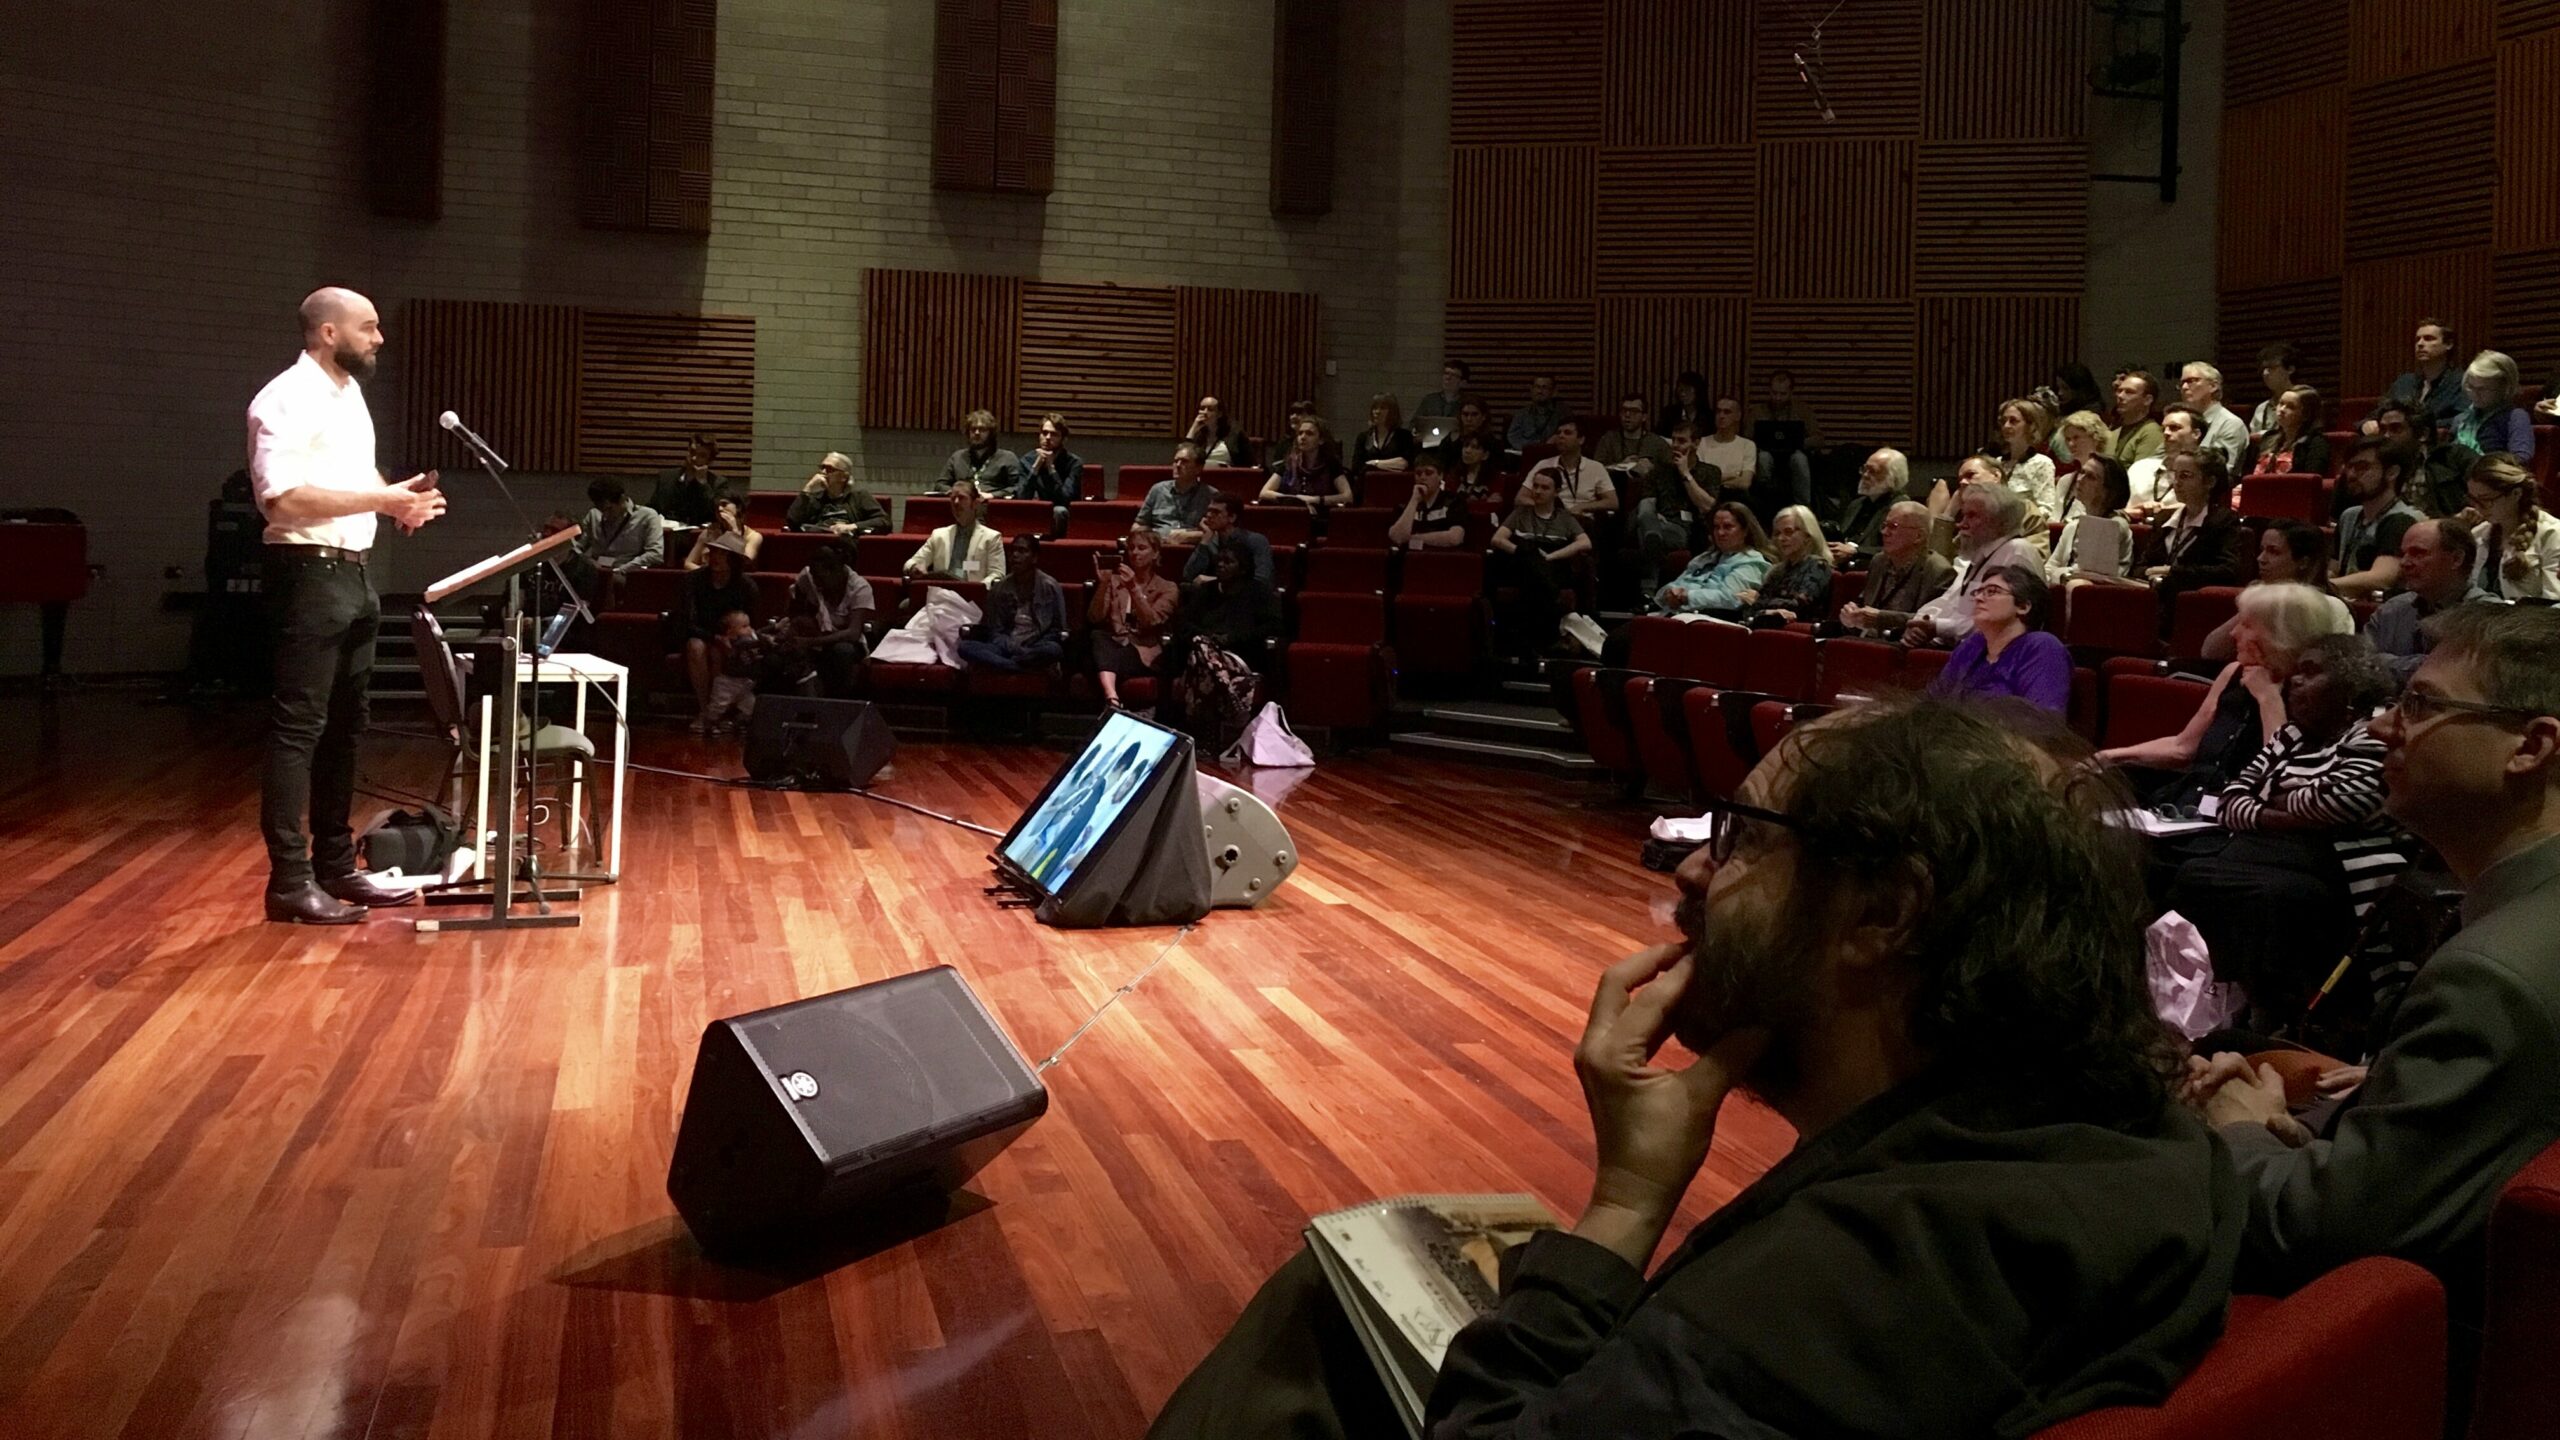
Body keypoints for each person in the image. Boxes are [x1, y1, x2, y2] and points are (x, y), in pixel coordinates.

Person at [1150, 699, 2242, 1440]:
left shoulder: (1850, 1280)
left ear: (1884, 911)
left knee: (1321, 1307)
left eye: (1745, 836)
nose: (1691, 865)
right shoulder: (2130, 1136)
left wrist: (1625, 1204)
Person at [2186, 605, 2560, 1386]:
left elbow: (2328, 1233)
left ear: (2532, 746)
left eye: (2421, 706)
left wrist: (2241, 1130)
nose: (2385, 725)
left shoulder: (2491, 977)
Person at [246, 286, 448, 924]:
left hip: (353, 574)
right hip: (307, 574)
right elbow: (281, 500)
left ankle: (335, 866)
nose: (379, 338)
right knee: (299, 728)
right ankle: (289, 882)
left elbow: (354, 486)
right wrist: (380, 501)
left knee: (345, 728)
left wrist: (398, 501)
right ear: (328, 333)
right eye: (369, 327)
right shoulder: (285, 396)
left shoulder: (349, 395)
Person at [2166, 634, 2406, 1030]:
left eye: (2311, 673)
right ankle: (2235, 1008)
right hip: (2272, 860)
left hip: (2341, 876)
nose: (2294, 682)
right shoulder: (2292, 735)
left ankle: (2278, 1017)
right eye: (2295, 673)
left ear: (2350, 683)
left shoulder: (2374, 729)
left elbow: (2345, 803)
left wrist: (2271, 800)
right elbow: (2232, 802)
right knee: (2194, 876)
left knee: (2245, 891)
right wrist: (2295, 807)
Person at [2094, 583, 2353, 808]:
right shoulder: (2233, 672)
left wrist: (2268, 699)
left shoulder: (2314, 692)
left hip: (2244, 813)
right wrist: (2110, 755)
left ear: (2280, 636)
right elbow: (2183, 747)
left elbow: (2281, 778)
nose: (2233, 633)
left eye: (2247, 625)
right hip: (2191, 799)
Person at [1167, 544, 1282, 751]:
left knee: (1198, 656)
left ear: (1243, 568)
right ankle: (1229, 695)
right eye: (1219, 561)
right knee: (1199, 646)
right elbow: (1183, 623)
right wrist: (1208, 638)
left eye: (1228, 562)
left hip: (1239, 656)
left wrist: (1232, 638)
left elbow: (1273, 626)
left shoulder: (1258, 593)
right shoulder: (1205, 592)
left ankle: (1201, 736)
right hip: (1204, 654)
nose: (1221, 565)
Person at [1905, 483, 2040, 647]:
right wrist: (1920, 622)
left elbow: (2001, 621)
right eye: (1963, 516)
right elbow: (1948, 602)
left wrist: (1937, 627)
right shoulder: (1980, 554)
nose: (1961, 524)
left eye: (1972, 516)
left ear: (2000, 523)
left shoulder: (2017, 552)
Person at [1925, 564, 2071, 712]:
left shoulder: (2042, 647)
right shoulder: (1972, 645)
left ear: (2023, 606)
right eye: (1977, 592)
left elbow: (2040, 723)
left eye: (1992, 591)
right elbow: (1933, 703)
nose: (1978, 598)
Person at [1488, 468, 1599, 655]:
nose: (1538, 491)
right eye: (1536, 486)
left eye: (1545, 487)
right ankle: (1551, 629)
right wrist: (1525, 553)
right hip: (1522, 564)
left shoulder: (1564, 517)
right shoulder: (1521, 513)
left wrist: (1551, 556)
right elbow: (1497, 539)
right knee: (1530, 561)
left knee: (1537, 577)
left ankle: (1528, 645)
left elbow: (1585, 543)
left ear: (1556, 492)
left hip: (1553, 565)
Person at [2367, 519, 2492, 683]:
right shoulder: (2391, 611)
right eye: (2404, 553)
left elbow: (2455, 675)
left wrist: (2386, 664)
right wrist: (2425, 664)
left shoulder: (2487, 617)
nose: (2404, 563)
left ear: (2456, 559)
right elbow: (2361, 666)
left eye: (2418, 553)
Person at [2134, 448, 2249, 618]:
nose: (2176, 483)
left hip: (2194, 610)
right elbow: (2141, 567)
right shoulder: (2164, 519)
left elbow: (2227, 571)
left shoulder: (2223, 521)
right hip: (2153, 603)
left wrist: (2172, 572)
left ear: (2209, 482)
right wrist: (2151, 575)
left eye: (2185, 476)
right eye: (2175, 475)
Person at [2201, 521, 2339, 661]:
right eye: (2262, 549)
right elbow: (2211, 651)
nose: (2260, 559)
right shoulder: (2259, 598)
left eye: (2273, 551)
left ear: (2303, 562)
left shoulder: (2332, 607)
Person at [1088, 530, 1178, 708]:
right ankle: (1111, 696)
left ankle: (1110, 697)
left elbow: (1152, 622)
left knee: (1099, 656)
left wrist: (1134, 588)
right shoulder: (1114, 581)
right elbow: (1094, 617)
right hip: (1112, 643)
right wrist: (1104, 583)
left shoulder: (1167, 588)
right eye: (1131, 548)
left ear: (1156, 553)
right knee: (1097, 637)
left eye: (1142, 548)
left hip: (1142, 650)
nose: (1135, 552)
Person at [2332, 437, 2428, 601]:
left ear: (2392, 473)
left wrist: (2322, 586)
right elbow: (2334, 568)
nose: (2352, 475)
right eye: (2349, 467)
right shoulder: (2349, 516)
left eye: (2362, 467)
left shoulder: (2402, 519)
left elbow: (2382, 578)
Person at [1836, 502, 1952, 636]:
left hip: (1903, 646)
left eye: (1893, 527)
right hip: (1868, 641)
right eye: (1884, 526)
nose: (1884, 532)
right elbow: (1865, 603)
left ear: (1918, 536)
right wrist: (1852, 613)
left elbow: (1930, 620)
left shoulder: (1938, 571)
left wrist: (1882, 618)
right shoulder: (1879, 561)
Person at [957, 534, 1067, 674]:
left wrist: (1029, 649)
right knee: (965, 647)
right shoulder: (999, 588)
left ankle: (1010, 664)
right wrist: (1014, 648)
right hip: (1005, 647)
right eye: (1013, 550)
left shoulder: (1050, 586)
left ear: (1034, 557)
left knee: (1053, 650)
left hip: (1036, 646)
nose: (1015, 555)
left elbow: (1057, 629)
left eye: (1022, 551)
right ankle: (1018, 667)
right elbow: (995, 631)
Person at [682, 534, 760, 726]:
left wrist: (731, 639)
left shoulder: (746, 586)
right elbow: (685, 622)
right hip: (697, 633)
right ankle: (704, 710)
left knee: (720, 652)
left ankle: (720, 711)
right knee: (696, 647)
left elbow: (749, 624)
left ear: (734, 560)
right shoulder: (693, 580)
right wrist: (715, 637)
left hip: (731, 639)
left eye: (723, 554)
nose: (715, 557)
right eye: (714, 551)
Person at [2463, 453, 2560, 600]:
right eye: (2473, 500)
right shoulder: (2478, 533)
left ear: (2516, 494)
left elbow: (2554, 607)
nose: (2477, 508)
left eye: (2486, 500)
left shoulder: (2552, 534)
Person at [785, 540, 874, 697]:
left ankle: (837, 705)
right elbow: (794, 613)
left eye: (819, 576)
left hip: (844, 642)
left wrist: (810, 642)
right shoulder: (808, 578)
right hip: (813, 634)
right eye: (812, 575)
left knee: (842, 652)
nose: (815, 581)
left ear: (836, 572)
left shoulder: (860, 587)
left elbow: (853, 633)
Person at [1630, 422, 1710, 592]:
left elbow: (1707, 506)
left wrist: (1685, 474)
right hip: (1655, 522)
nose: (1675, 446)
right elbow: (1646, 505)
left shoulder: (1710, 472)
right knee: (1645, 517)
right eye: (1673, 440)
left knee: (1646, 534)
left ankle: (1647, 590)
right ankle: (1649, 590)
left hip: (1683, 529)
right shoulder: (1658, 471)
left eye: (1681, 441)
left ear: (1696, 443)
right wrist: (1653, 516)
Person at [1655, 502, 1770, 617]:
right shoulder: (1705, 557)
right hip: (1673, 615)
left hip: (1710, 622)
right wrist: (1669, 594)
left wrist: (1687, 596)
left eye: (1727, 527)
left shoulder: (1752, 563)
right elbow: (1673, 586)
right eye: (1716, 527)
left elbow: (1729, 599)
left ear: (1745, 531)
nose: (1720, 533)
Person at [570, 476, 665, 608]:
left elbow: (655, 554)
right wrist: (587, 562)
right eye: (601, 510)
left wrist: (621, 570)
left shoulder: (647, 516)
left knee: (605, 582)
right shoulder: (594, 515)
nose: (605, 515)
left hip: (626, 573)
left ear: (622, 500)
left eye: (609, 509)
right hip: (595, 572)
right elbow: (577, 548)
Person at [2361, 317, 2464, 434]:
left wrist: (2414, 425)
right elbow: (2376, 414)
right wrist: (2366, 424)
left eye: (2429, 339)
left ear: (2448, 344)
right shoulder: (2404, 382)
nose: (2420, 344)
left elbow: (2464, 420)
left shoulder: (2461, 382)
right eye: (2417, 339)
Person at [2372, 400, 2475, 516]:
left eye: (2396, 429)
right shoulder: (2376, 467)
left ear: (2423, 434)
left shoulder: (2453, 457)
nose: (2386, 436)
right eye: (2382, 429)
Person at [1740, 505, 1833, 624]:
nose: (1781, 538)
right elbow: (1750, 611)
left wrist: (1759, 602)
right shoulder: (1777, 570)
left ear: (1808, 536)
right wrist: (1764, 610)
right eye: (1777, 533)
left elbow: (1800, 605)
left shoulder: (1818, 565)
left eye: (1788, 532)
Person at [2050, 455, 2136, 583]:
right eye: (2081, 472)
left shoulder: (2114, 525)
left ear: (2109, 490)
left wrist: (2060, 574)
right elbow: (2050, 567)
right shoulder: (2073, 525)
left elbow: (2091, 576)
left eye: (2090, 477)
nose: (2080, 479)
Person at [903, 481, 1007, 584]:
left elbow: (997, 574)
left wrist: (977, 589)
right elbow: (911, 563)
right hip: (940, 595)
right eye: (953, 498)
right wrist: (914, 567)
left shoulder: (991, 538)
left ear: (975, 503)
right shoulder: (939, 535)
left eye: (961, 498)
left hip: (973, 597)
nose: (956, 502)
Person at [1748, 369, 1822, 509]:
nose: (1777, 398)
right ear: (1769, 391)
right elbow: (1747, 439)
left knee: (1799, 459)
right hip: (1765, 453)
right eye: (1774, 393)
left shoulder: (1802, 410)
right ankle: (1764, 504)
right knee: (1764, 457)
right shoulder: (1757, 411)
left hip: (1795, 453)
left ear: (1791, 393)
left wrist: (1799, 442)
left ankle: (1804, 508)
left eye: (1782, 394)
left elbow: (1818, 438)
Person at [1826, 447, 1911, 566]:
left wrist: (1856, 551)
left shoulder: (1902, 508)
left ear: (1892, 477)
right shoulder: (1856, 504)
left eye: (1873, 471)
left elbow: (1901, 549)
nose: (1865, 475)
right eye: (1865, 469)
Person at [2450, 349, 2535, 464]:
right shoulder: (2460, 420)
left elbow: (2521, 458)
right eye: (2470, 387)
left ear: (2505, 388)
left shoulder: (2516, 417)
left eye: (2483, 389)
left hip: (2494, 478)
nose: (2475, 394)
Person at [1594, 394, 1674, 504]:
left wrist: (1652, 471)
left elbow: (1672, 474)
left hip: (1650, 497)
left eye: (1634, 411)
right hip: (1615, 496)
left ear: (1644, 417)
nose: (1627, 415)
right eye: (1624, 410)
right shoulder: (1608, 439)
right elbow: (1595, 471)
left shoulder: (1657, 443)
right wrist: (1620, 466)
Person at [1182, 492, 1275, 588]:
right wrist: (1204, 541)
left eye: (1216, 512)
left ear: (1232, 517)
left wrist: (1215, 581)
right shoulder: (1209, 540)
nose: (1209, 515)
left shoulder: (1255, 541)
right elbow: (1189, 575)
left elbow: (1262, 579)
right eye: (1208, 510)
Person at [787, 452, 891, 536]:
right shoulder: (815, 498)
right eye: (821, 467)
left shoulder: (859, 497)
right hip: (818, 541)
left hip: (844, 544)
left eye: (829, 469)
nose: (823, 472)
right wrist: (808, 488)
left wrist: (852, 526)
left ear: (844, 477)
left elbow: (884, 521)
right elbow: (792, 522)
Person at [1994, 397, 2061, 528]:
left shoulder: (2041, 463)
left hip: (2024, 532)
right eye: (2003, 421)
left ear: (2031, 426)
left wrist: (2014, 523)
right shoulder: (1998, 463)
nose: (2006, 426)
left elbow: (2046, 508)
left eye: (2013, 421)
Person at [1260, 417, 1353, 510]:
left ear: (1321, 440)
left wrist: (1316, 500)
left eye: (1309, 434)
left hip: (1321, 516)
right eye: (1300, 433)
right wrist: (1295, 499)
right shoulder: (1289, 462)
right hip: (1293, 513)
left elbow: (1348, 497)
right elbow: (1264, 492)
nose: (1303, 437)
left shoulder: (1331, 464)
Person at [1011, 412, 1083, 531]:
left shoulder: (1074, 463)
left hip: (1059, 512)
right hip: (1035, 508)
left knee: (1059, 511)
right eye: (1044, 433)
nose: (1048, 438)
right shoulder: (1027, 460)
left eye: (1054, 434)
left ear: (1063, 439)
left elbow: (1065, 500)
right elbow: (1022, 497)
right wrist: (1035, 468)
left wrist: (1051, 469)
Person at [1525, 418, 1610, 517]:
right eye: (1558, 433)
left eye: (1567, 433)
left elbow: (1612, 502)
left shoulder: (1596, 467)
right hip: (1551, 518)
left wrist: (1583, 507)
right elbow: (1521, 498)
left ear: (1581, 440)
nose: (1561, 436)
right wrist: (1547, 506)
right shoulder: (1543, 464)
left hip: (1582, 520)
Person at [2177, 362, 2252, 472]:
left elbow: (2219, 472)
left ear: (2213, 386)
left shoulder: (2230, 424)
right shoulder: (2178, 424)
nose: (2184, 387)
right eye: (2182, 383)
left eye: (2191, 381)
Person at [2129, 404, 2205, 513]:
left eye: (2174, 428)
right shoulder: (2140, 468)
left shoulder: (2202, 475)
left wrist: (2165, 511)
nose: (2166, 433)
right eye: (2163, 429)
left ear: (2196, 434)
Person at [1136, 443, 1215, 543]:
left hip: (1194, 551)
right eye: (1176, 461)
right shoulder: (1158, 490)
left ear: (1198, 468)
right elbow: (1139, 524)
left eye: (1184, 461)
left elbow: (1219, 532)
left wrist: (1193, 536)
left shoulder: (1210, 495)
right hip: (1160, 548)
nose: (1178, 465)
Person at [647, 432, 727, 529]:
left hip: (699, 536)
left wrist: (703, 484)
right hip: (667, 535)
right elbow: (652, 509)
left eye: (701, 456)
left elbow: (715, 515)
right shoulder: (666, 477)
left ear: (709, 461)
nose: (693, 458)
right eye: (692, 452)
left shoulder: (717, 483)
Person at [1387, 454, 1469, 549]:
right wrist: (1414, 501)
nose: (1422, 477)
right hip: (1410, 557)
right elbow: (1398, 537)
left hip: (1443, 558)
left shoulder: (1454, 501)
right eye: (1418, 473)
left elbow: (1454, 538)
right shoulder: (1405, 504)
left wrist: (1413, 538)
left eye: (1428, 473)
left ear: (1440, 475)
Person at [700, 609, 762, 733]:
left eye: (749, 625)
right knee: (718, 706)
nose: (750, 629)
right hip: (727, 683)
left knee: (751, 706)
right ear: (731, 632)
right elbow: (750, 644)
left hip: (745, 684)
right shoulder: (736, 643)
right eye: (744, 626)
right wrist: (764, 641)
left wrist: (774, 627)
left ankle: (738, 722)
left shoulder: (750, 640)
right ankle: (709, 723)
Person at [2249, 385, 2330, 475]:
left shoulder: (2316, 443)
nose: (2282, 409)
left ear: (2306, 415)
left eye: (2290, 407)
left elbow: (2310, 480)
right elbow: (2248, 473)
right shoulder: (2268, 438)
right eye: (2281, 403)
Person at [941, 408, 1021, 495]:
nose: (977, 433)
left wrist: (993, 495)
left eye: (982, 429)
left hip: (994, 505)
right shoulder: (957, 457)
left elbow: (1018, 487)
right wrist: (956, 493)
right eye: (973, 429)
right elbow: (941, 484)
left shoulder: (1007, 458)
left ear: (991, 433)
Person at [1693, 395, 1758, 495]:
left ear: (1738, 416)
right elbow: (1699, 480)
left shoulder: (1747, 445)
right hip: (1706, 497)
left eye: (1727, 412)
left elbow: (1745, 482)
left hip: (1736, 497)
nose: (1721, 416)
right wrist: (1732, 475)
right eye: (1718, 411)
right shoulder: (1702, 443)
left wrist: (1716, 481)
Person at [681, 494, 764, 569]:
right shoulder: (708, 532)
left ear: (739, 507)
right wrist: (708, 575)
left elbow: (745, 562)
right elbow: (689, 563)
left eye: (724, 504)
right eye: (717, 506)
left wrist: (734, 532)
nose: (720, 509)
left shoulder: (753, 537)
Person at [2108, 367, 2165, 466]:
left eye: (2129, 392)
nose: (2120, 396)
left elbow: (2141, 477)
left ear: (2147, 400)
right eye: (2119, 391)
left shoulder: (2151, 433)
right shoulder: (2114, 433)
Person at [1437, 394, 1509, 471]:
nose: (1469, 419)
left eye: (1474, 414)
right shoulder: (1449, 441)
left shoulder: (1493, 445)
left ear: (1483, 416)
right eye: (1465, 414)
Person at [1351, 394, 1419, 473]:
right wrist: (1388, 464)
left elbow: (1403, 463)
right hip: (1368, 482)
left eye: (1383, 408)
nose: (1377, 412)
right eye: (1375, 408)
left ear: (1392, 412)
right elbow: (1356, 467)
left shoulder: (1404, 436)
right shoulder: (1363, 437)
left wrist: (1374, 463)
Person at [2246, 343, 2299, 443]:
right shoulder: (2261, 408)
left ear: (2290, 369)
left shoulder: (2304, 403)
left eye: (2272, 368)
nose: (2265, 373)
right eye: (2263, 369)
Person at [1183, 395, 1253, 468]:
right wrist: (1193, 428)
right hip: (1199, 476)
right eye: (1202, 408)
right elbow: (1183, 456)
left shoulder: (1235, 433)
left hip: (1227, 476)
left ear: (1219, 414)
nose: (1205, 412)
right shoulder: (1197, 434)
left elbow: (1249, 462)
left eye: (1210, 409)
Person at [1506, 372, 1566, 448]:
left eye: (1544, 387)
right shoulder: (1521, 414)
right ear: (1531, 389)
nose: (1540, 391)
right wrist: (1533, 447)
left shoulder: (1562, 413)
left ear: (1553, 391)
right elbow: (1513, 437)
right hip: (1526, 455)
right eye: (1537, 387)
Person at [1655, 370, 1708, 437]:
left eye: (1687, 390)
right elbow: (1660, 437)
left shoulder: (1708, 417)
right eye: (1681, 390)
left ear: (1698, 391)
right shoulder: (1669, 414)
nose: (1683, 394)